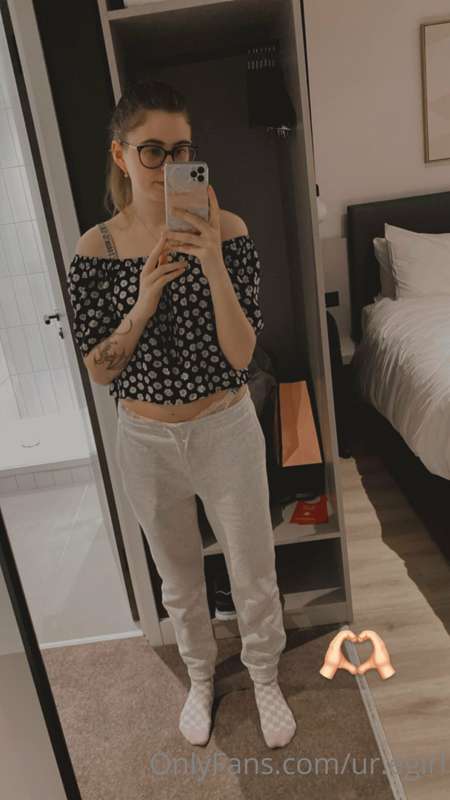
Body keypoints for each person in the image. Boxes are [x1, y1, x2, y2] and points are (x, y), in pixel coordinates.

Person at [66, 78, 296, 749]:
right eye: (152, 150)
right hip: (144, 439)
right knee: (178, 577)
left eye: (182, 150)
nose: (168, 165)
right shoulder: (97, 251)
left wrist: (214, 263)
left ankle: (264, 676)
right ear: (120, 154)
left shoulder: (230, 230)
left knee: (253, 569)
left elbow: (243, 354)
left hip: (225, 426)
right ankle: (200, 676)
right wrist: (142, 302)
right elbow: (100, 369)